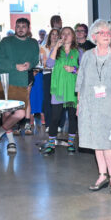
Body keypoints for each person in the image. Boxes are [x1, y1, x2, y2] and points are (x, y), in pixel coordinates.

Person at [77, 19, 111, 194]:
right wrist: (79, 104)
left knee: (109, 144)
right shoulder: (87, 56)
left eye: (109, 33)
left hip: (109, 107)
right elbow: (81, 81)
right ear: (94, 37)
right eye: (102, 33)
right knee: (96, 143)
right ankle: (102, 175)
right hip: (90, 106)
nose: (107, 35)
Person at [0, 17, 40, 153]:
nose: (20, 29)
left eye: (24, 26)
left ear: (28, 28)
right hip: (3, 80)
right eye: (18, 26)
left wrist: (30, 64)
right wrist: (15, 66)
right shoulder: (6, 41)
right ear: (15, 27)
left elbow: (35, 59)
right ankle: (11, 141)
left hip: (21, 82)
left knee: (20, 113)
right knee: (6, 113)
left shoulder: (33, 43)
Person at [41, 26, 80, 155]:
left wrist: (74, 69)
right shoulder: (56, 50)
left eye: (69, 33)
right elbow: (49, 64)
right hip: (58, 90)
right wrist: (56, 47)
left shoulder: (78, 52)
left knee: (72, 118)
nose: (66, 35)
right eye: (63, 33)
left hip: (72, 89)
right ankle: (51, 145)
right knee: (55, 118)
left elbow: (84, 70)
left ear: (73, 37)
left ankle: (71, 144)